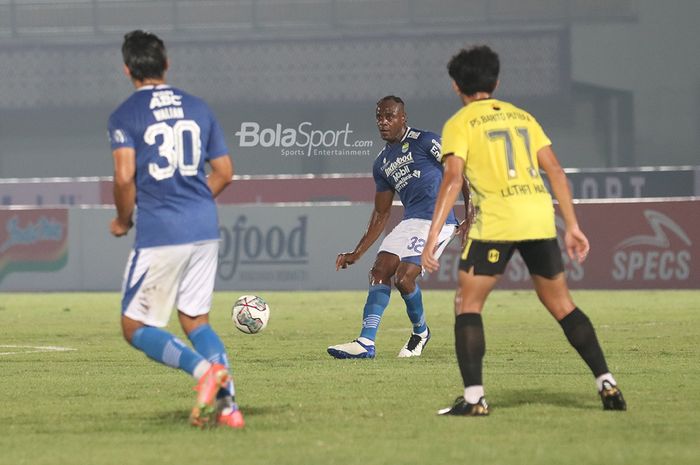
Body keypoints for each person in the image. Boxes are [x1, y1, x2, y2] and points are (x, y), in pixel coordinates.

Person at [421, 45, 626, 415]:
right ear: (496, 81)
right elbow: (557, 172)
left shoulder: (460, 123)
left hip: (498, 220)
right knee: (562, 305)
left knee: (466, 304)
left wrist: (434, 234)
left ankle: (473, 400)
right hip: (538, 216)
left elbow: (452, 179)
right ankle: (607, 383)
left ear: (456, 86)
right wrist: (573, 226)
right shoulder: (523, 117)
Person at [108, 30, 244, 429]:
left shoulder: (126, 114)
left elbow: (123, 176)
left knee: (134, 326)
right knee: (195, 320)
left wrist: (122, 219)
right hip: (204, 225)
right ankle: (229, 408)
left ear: (128, 69)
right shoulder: (198, 107)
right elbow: (224, 173)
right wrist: (195, 202)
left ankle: (203, 373)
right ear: (166, 65)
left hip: (161, 230)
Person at [328, 96, 467, 359]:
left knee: (404, 278)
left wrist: (469, 213)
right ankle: (366, 342)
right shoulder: (381, 163)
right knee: (379, 271)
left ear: (403, 118)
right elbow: (381, 212)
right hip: (410, 222)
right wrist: (356, 253)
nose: (383, 122)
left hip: (438, 221)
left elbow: (460, 171)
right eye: (379, 117)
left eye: (389, 116)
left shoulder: (426, 141)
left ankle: (420, 332)